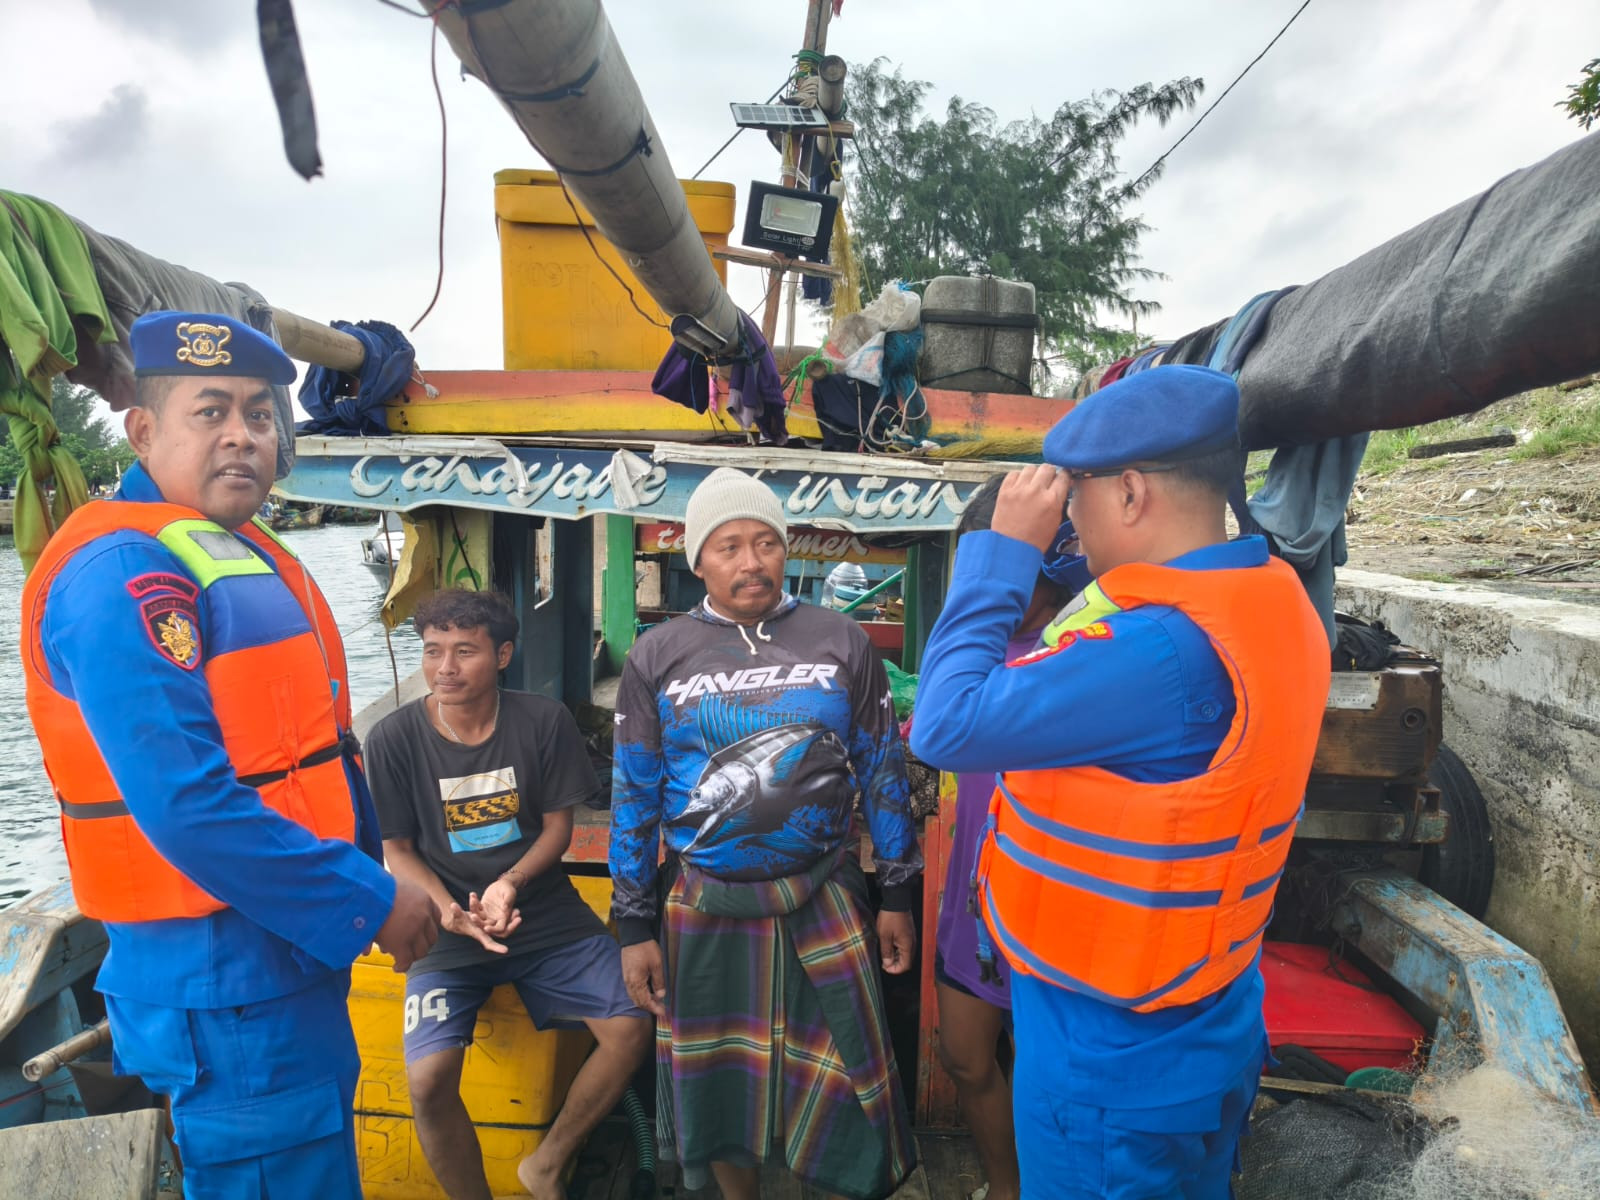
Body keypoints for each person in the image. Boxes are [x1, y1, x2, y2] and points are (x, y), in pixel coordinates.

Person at [20, 310, 439, 1198]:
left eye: (260, 413)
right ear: (142, 430)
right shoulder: (124, 575)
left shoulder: (224, 545)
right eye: (211, 413)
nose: (244, 435)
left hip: (277, 954)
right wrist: (371, 901)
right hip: (224, 979)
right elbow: (188, 805)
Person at [911, 365, 1331, 1199]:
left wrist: (1000, 554)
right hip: (1209, 1021)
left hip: (1110, 1064)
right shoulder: (1271, 599)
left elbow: (944, 724)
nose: (1069, 521)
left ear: (1131, 492)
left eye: (1078, 498)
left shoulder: (1154, 650)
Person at [609, 467, 922, 1200]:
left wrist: (898, 893)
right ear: (698, 561)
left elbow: (882, 768)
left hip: (826, 896)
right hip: (704, 903)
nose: (749, 561)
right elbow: (634, 794)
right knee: (720, 1082)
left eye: (764, 543)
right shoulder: (659, 655)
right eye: (727, 547)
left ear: (786, 550)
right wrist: (633, 925)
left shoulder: (841, 637)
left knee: (848, 1076)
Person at [363, 588, 651, 1200]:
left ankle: (545, 1163)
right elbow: (399, 851)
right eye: (433, 650)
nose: (445, 668)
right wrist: (448, 910)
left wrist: (508, 883)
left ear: (502, 655)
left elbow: (557, 829)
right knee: (429, 1082)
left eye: (464, 651)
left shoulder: (543, 722)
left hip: (543, 911)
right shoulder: (390, 740)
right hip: (445, 924)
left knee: (632, 1026)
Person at [923, 475, 1090, 1200]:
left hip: (1053, 903)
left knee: (1051, 1069)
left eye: (997, 560)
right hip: (973, 893)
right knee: (965, 1057)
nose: (978, 582)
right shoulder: (979, 645)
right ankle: (1005, 1186)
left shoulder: (1078, 648)